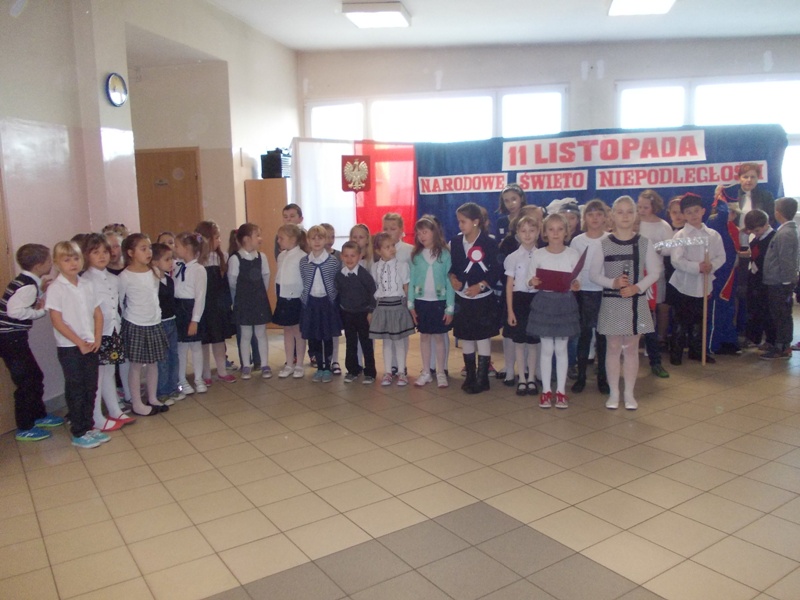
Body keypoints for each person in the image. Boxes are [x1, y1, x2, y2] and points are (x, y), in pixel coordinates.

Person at [591, 196, 661, 410]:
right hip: (612, 302)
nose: (625, 216)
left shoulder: (644, 243)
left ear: (635, 215)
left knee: (631, 348)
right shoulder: (603, 244)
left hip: (635, 302)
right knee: (612, 347)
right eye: (620, 212)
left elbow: (655, 272)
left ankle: (629, 393)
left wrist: (637, 287)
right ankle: (614, 393)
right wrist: (612, 282)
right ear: (612, 215)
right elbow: (594, 274)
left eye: (629, 212)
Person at [45, 241, 108, 449]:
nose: (72, 263)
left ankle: (89, 427)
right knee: (76, 388)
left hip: (91, 344)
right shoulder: (56, 288)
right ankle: (79, 431)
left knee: (91, 386)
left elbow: (98, 314)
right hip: (70, 347)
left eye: (75, 258)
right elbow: (57, 321)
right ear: (57, 263)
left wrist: (97, 338)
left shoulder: (87, 284)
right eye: (66, 259)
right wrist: (79, 342)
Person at [0, 244, 65, 442]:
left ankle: (38, 415)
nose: (51, 263)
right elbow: (14, 311)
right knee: (26, 381)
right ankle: (25, 426)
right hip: (10, 339)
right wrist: (41, 312)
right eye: (49, 260)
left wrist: (41, 293)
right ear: (38, 265)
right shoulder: (27, 286)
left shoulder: (27, 282)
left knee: (35, 376)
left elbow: (26, 303)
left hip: (13, 338)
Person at [80, 234, 136, 431]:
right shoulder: (84, 280)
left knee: (110, 371)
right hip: (96, 334)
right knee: (97, 375)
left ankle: (114, 409)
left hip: (113, 331)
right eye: (96, 252)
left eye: (105, 251)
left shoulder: (114, 279)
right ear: (86, 255)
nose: (102, 256)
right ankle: (96, 416)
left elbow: (117, 305)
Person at [527, 213, 581, 409]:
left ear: (566, 232)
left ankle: (561, 392)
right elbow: (529, 281)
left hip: (565, 303)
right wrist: (533, 281)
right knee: (547, 349)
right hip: (545, 303)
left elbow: (577, 281)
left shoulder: (572, 254)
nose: (555, 233)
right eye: (551, 229)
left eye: (560, 229)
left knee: (561, 349)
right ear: (545, 232)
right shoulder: (538, 254)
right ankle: (546, 391)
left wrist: (575, 285)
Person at [449, 202, 503, 394]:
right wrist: (452, 278)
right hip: (463, 298)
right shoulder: (455, 242)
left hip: (482, 298)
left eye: (463, 221)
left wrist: (481, 286)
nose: (460, 225)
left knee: (482, 337)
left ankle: (482, 377)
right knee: (466, 336)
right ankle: (470, 375)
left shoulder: (489, 243)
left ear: (476, 222)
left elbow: (496, 269)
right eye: (458, 221)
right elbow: (452, 267)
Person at [669, 193, 726, 365]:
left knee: (699, 322)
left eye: (696, 211)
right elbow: (676, 260)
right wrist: (697, 267)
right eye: (688, 212)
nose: (693, 215)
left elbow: (721, 256)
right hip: (682, 285)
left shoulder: (713, 235)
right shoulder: (680, 236)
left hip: (703, 285)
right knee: (680, 321)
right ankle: (676, 353)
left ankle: (697, 352)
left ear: (703, 211)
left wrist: (711, 266)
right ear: (683, 215)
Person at [118, 233, 170, 417]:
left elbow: (154, 296)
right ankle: (136, 403)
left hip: (154, 322)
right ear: (130, 252)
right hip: (135, 323)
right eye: (143, 249)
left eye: (149, 248)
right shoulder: (125, 276)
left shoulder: (153, 271)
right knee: (136, 365)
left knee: (153, 363)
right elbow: (119, 301)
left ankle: (152, 398)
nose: (148, 252)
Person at [569, 199, 610, 394]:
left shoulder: (611, 239)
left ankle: (602, 376)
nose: (595, 218)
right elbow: (573, 266)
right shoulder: (577, 241)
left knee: (603, 337)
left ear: (605, 217)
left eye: (599, 214)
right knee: (584, 336)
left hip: (604, 292)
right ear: (584, 218)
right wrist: (574, 282)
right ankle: (582, 377)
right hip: (583, 293)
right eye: (591, 215)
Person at [408, 216, 454, 388]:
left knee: (440, 338)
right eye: (418, 233)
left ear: (434, 232)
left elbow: (450, 282)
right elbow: (412, 281)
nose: (421, 236)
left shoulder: (445, 254)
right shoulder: (416, 256)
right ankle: (426, 371)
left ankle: (441, 371)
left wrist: (450, 308)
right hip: (422, 302)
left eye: (425, 232)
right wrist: (411, 305)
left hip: (439, 303)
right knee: (425, 337)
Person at [228, 223, 272, 379]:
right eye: (257, 235)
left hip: (259, 300)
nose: (260, 239)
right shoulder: (235, 259)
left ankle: (265, 364)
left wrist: (259, 294)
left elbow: (266, 276)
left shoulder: (262, 257)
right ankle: (246, 365)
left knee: (261, 333)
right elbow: (232, 281)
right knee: (245, 334)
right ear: (246, 239)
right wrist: (244, 295)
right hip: (243, 301)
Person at [503, 214, 541, 396]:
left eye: (531, 230)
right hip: (518, 301)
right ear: (517, 233)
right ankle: (522, 378)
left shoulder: (542, 255)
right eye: (523, 231)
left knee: (533, 343)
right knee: (519, 342)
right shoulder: (512, 257)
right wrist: (510, 311)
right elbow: (509, 286)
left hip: (536, 301)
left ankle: (532, 377)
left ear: (538, 232)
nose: (527, 234)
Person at [370, 232, 415, 386]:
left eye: (392, 246)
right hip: (382, 306)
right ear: (378, 251)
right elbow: (376, 287)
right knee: (387, 341)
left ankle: (401, 372)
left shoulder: (402, 266)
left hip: (397, 306)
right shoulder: (375, 267)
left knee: (400, 341)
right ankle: (388, 372)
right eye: (387, 247)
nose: (392, 249)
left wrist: (409, 306)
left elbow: (406, 287)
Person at [636, 189, 672, 377]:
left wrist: (656, 248)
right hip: (634, 275)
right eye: (639, 206)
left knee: (650, 316)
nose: (641, 210)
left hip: (653, 275)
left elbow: (670, 248)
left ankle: (655, 358)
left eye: (645, 207)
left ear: (654, 207)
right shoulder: (633, 222)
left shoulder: (662, 225)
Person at [196, 220, 237, 383]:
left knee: (219, 340)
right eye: (216, 237)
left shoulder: (222, 257)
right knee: (204, 341)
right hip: (203, 306)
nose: (219, 240)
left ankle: (222, 370)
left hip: (218, 305)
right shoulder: (197, 259)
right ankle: (205, 373)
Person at [300, 225, 342, 382]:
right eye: (313, 238)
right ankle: (319, 367)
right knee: (314, 337)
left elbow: (336, 282)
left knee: (327, 336)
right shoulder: (304, 262)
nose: (317, 241)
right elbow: (305, 280)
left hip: (327, 304)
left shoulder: (333, 261)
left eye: (320, 238)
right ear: (308, 241)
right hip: (311, 304)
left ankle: (327, 367)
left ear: (325, 240)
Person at [760, 197, 799, 359]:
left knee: (781, 315)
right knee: (778, 314)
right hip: (776, 281)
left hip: (780, 282)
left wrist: (786, 282)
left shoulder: (785, 233)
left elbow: (785, 260)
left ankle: (782, 346)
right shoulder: (785, 231)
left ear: (778, 213)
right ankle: (780, 343)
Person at [335, 241, 377, 384]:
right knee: (351, 343)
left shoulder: (364, 275)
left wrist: (371, 311)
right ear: (341, 256)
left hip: (363, 314)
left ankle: (370, 372)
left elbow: (373, 292)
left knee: (366, 343)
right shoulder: (340, 275)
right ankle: (353, 370)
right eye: (346, 256)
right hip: (347, 314)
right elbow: (338, 293)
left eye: (353, 255)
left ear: (359, 256)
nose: (349, 259)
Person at [173, 231, 208, 394]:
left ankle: (198, 378)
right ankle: (181, 380)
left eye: (177, 246)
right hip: (178, 308)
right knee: (181, 346)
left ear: (187, 248)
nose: (174, 249)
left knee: (195, 345)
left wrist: (195, 320)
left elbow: (200, 297)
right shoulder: (176, 265)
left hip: (191, 308)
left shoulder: (199, 270)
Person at [152, 242, 184, 404]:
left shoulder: (169, 280)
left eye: (171, 259)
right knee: (162, 359)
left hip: (171, 321)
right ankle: (162, 391)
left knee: (174, 356)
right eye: (166, 259)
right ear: (155, 262)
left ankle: (173, 387)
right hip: (159, 323)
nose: (171, 262)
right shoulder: (153, 281)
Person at [274, 223, 307, 378]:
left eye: (281, 238)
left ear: (293, 239)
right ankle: (289, 363)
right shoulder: (281, 256)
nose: (278, 241)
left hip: (296, 298)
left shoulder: (302, 256)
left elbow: (304, 279)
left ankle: (299, 363)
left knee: (298, 331)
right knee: (287, 330)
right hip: (283, 296)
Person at [742, 209, 775, 350]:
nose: (755, 233)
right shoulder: (757, 239)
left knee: (767, 311)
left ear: (766, 224)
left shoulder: (773, 238)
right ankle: (754, 337)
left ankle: (771, 340)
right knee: (754, 309)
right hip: (755, 278)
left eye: (757, 230)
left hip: (766, 280)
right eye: (752, 231)